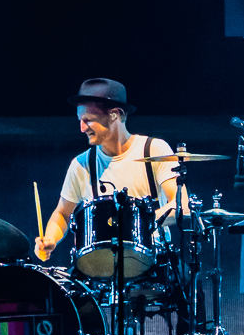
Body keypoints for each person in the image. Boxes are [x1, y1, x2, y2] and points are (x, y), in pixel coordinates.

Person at [34, 79, 184, 263]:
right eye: (80, 121)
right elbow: (63, 214)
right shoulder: (81, 164)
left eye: (88, 120)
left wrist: (137, 220)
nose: (82, 128)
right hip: (102, 268)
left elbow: (180, 204)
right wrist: (50, 239)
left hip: (154, 263)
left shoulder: (155, 151)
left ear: (114, 114)